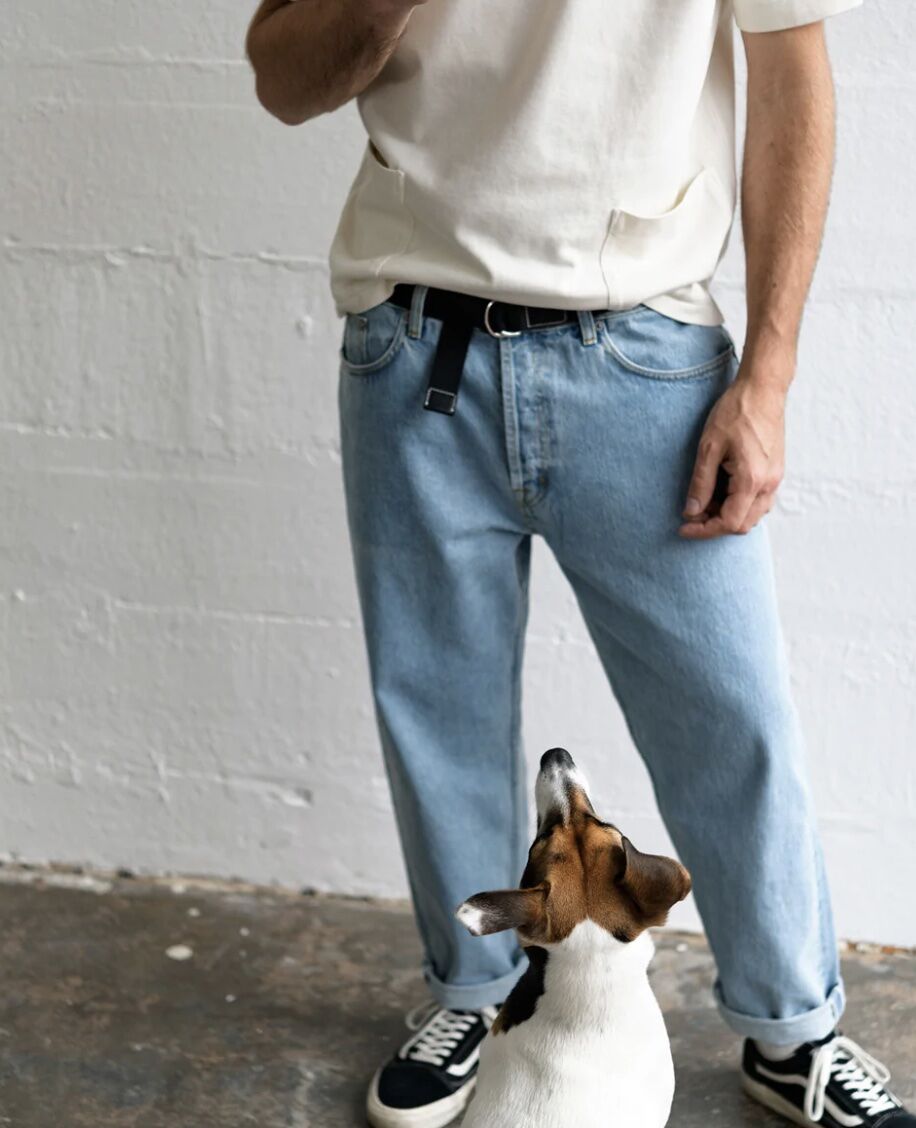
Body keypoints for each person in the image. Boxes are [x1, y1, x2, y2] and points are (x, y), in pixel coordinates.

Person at [246, 3, 914, 1127]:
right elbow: (282, 77)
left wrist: (770, 377)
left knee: (729, 717)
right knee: (436, 712)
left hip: (642, 350)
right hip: (417, 345)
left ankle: (792, 1031)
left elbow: (791, 74)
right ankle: (476, 987)